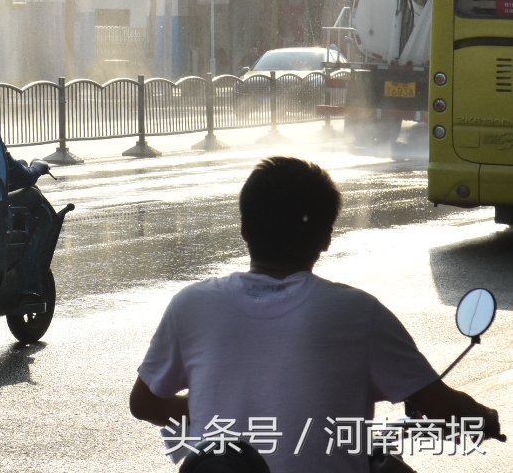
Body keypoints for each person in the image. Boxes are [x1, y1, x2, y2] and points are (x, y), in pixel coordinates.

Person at [130, 156, 502, 472]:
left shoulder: (191, 305)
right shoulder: (358, 314)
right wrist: (483, 417)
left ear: (244, 229)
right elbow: (441, 408)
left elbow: (145, 403)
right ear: (326, 238)